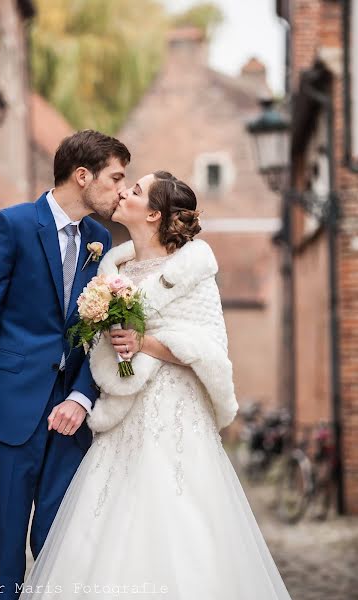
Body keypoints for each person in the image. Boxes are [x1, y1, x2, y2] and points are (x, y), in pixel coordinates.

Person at [19, 171, 293, 599]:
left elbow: (209, 346)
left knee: (178, 516)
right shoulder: (114, 268)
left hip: (174, 411)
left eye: (136, 189)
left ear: (152, 213)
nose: (124, 191)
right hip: (122, 411)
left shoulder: (191, 268)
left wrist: (144, 342)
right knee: (106, 520)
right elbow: (98, 346)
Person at [0, 130, 131, 600]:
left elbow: (96, 333)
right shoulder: (8, 226)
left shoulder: (100, 240)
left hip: (71, 421)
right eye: (115, 178)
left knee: (64, 547)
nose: (121, 189)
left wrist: (81, 395)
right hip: (9, 416)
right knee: (4, 552)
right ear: (82, 176)